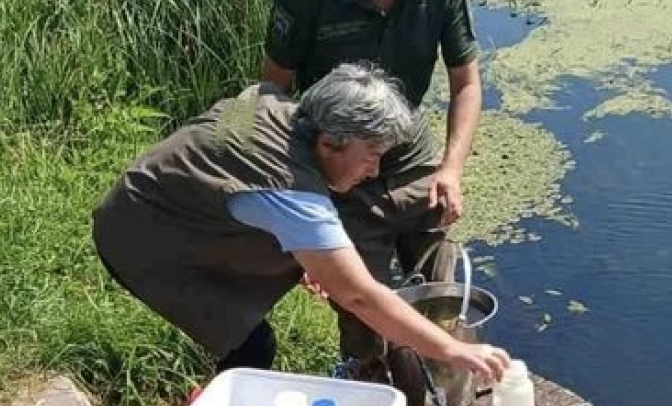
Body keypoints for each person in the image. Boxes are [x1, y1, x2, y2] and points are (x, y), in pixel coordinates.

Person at [92, 63, 509, 388]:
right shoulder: (291, 192)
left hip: (169, 207)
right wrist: (453, 350)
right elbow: (360, 297)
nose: (375, 169)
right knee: (252, 348)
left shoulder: (282, 110)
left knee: (266, 309)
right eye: (370, 154)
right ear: (329, 141)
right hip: (141, 237)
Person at [261, 0, 482, 389]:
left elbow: (466, 83)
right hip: (342, 165)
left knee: (440, 276)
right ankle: (370, 385)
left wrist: (451, 169)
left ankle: (442, 379)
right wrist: (303, 205)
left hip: (410, 152)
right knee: (361, 298)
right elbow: (273, 94)